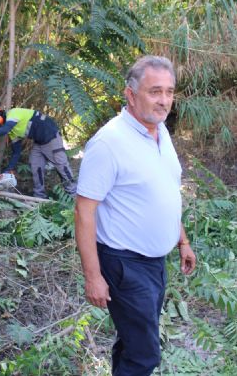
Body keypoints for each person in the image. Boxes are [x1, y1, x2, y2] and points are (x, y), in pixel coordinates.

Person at [74, 55, 196, 375]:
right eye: (155, 91)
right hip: (124, 263)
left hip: (155, 264)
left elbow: (165, 190)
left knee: (132, 342)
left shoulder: (160, 132)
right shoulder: (109, 143)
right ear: (130, 94)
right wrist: (93, 276)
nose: (164, 100)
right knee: (144, 355)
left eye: (170, 92)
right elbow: (84, 211)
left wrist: (181, 240)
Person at [0, 107, 77, 198]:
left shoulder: (13, 113)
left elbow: (5, 129)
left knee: (61, 165)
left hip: (51, 136)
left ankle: (73, 195)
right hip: (39, 142)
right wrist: (9, 169)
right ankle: (39, 196)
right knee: (35, 164)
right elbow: (16, 152)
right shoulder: (12, 131)